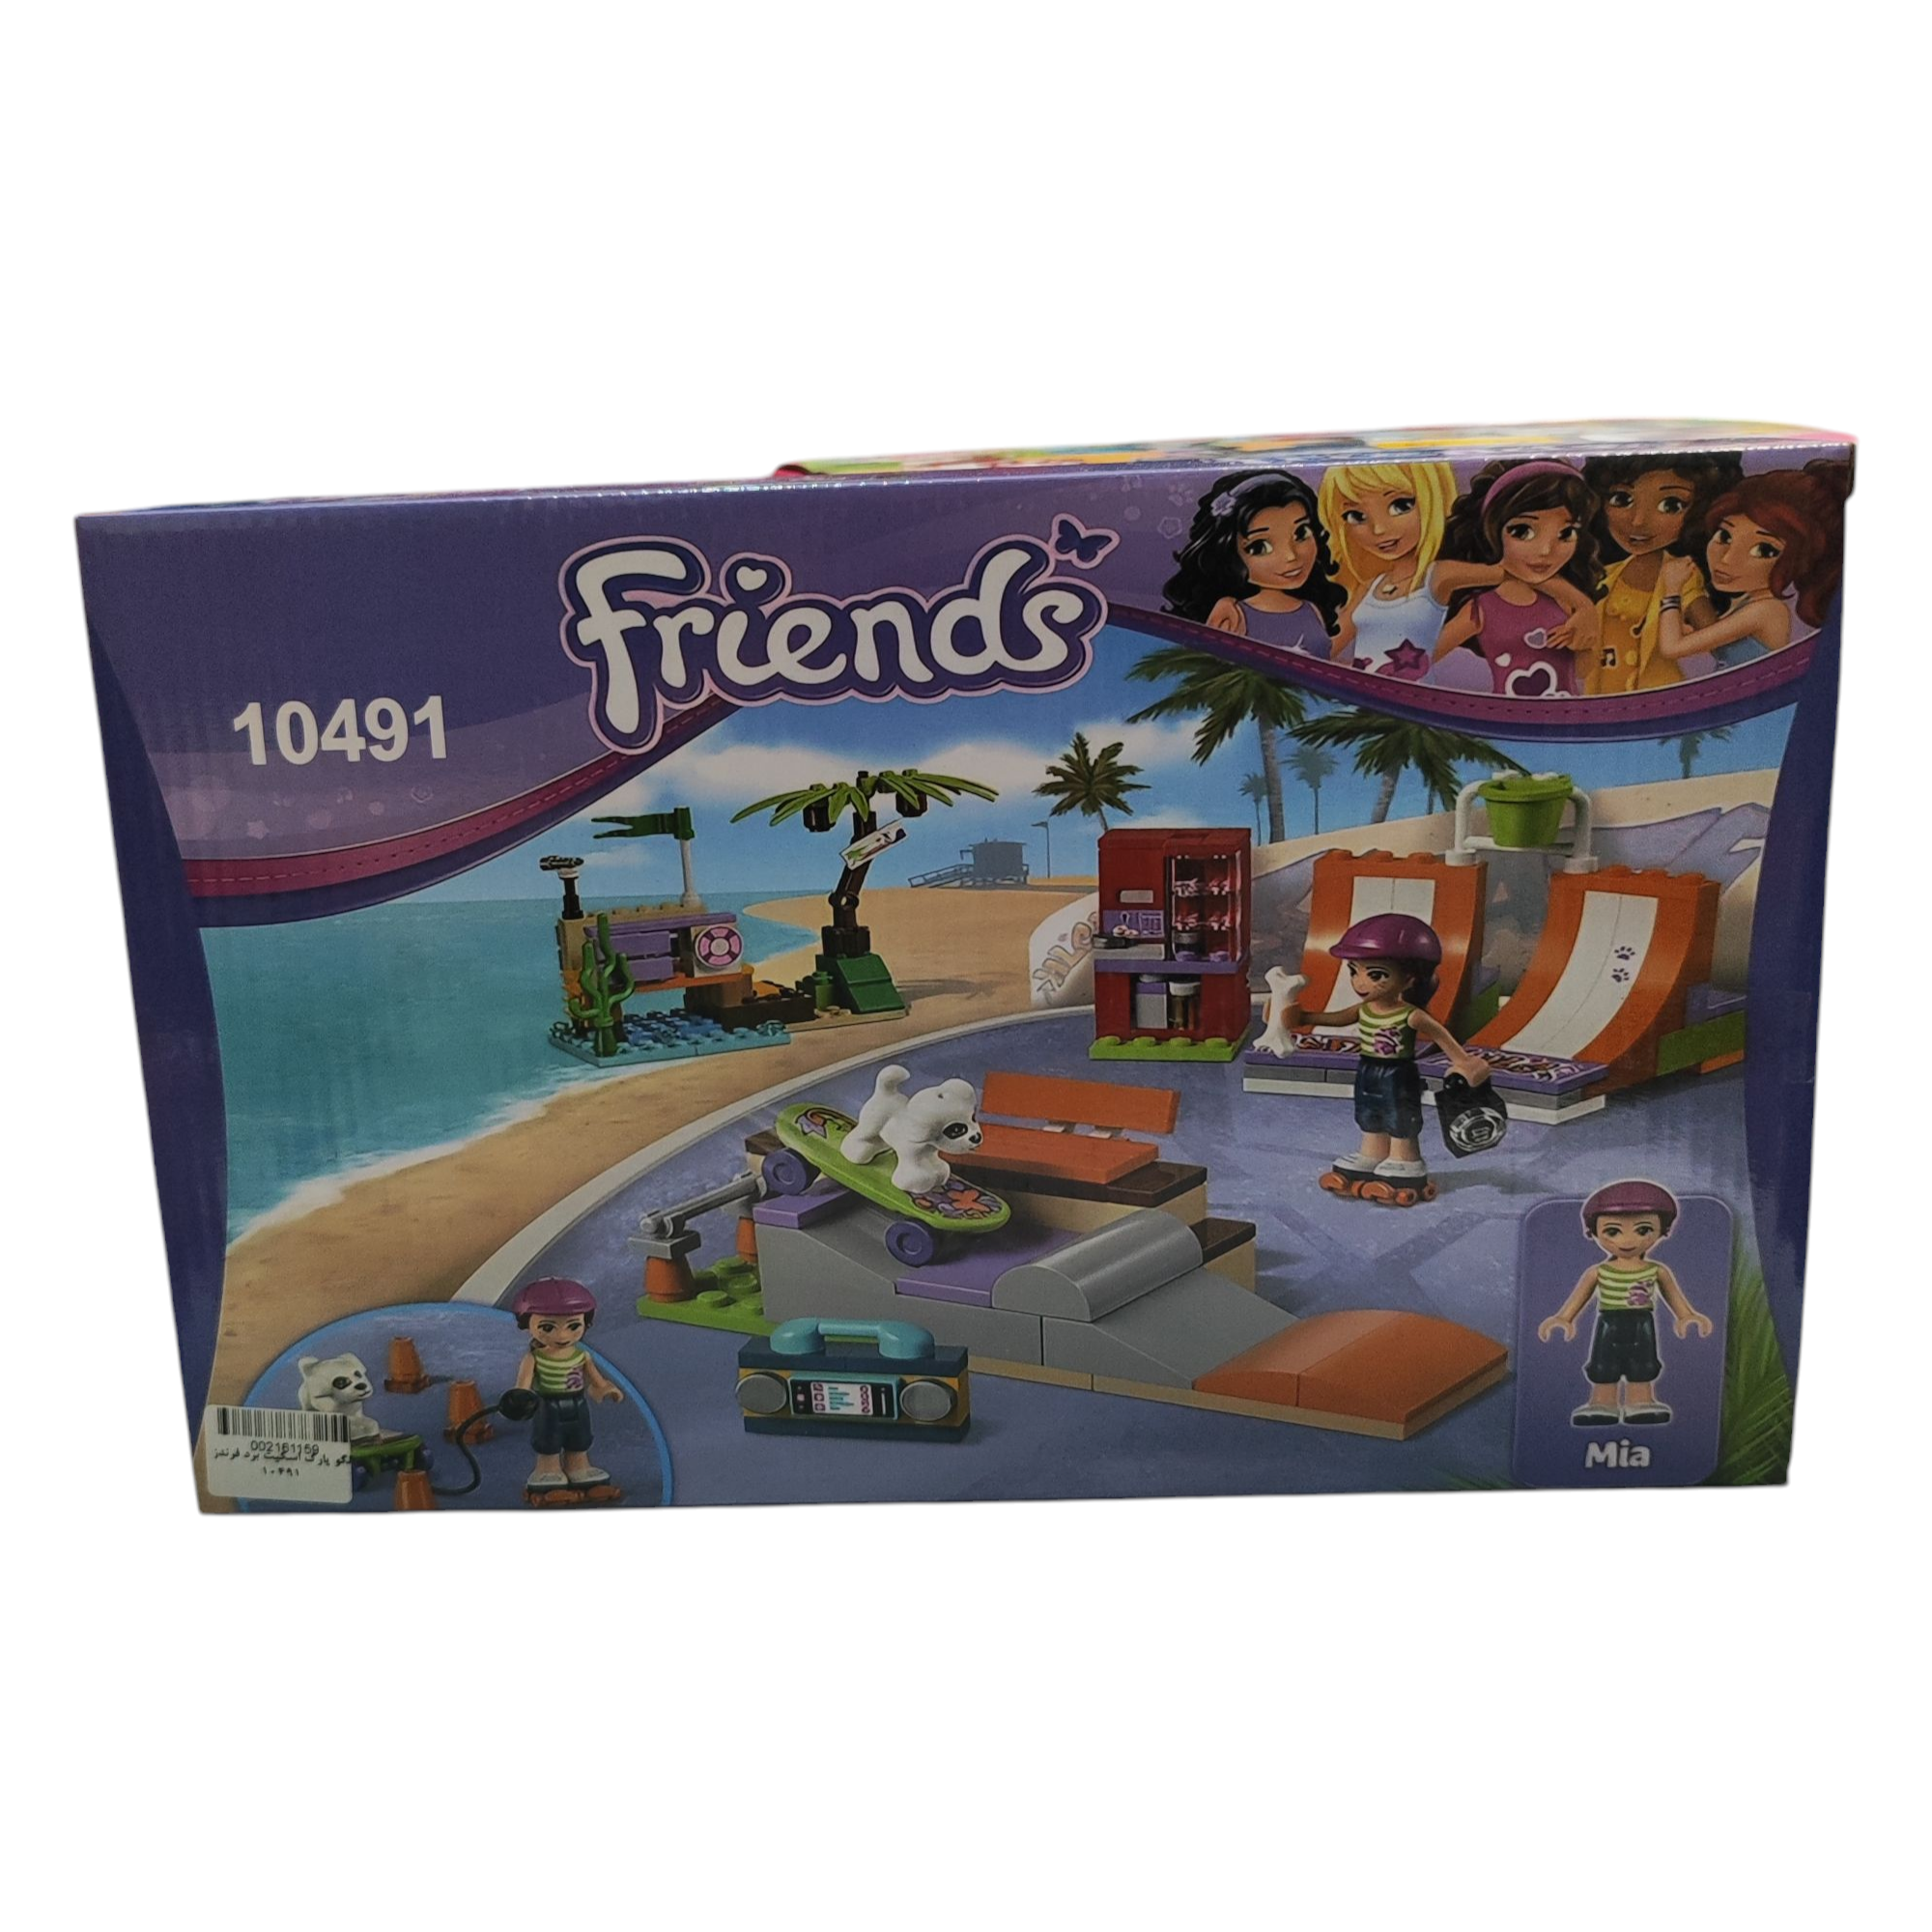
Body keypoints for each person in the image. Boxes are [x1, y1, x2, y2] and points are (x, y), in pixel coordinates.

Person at [1282, 912, 1491, 1207]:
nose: (1360, 982)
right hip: (1368, 1069)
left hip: (1398, 1073)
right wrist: (1303, 1017)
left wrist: (1463, 1061)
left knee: (1400, 1114)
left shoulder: (1410, 1015)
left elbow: (1441, 1035)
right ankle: (1373, 1154)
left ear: (1408, 979)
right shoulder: (1364, 1010)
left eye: (1376, 975)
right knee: (1369, 1112)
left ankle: (1406, 1160)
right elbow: (1337, 1018)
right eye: (1354, 971)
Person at [1538, 1179, 1711, 1427]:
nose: (1628, 1240)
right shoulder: (1598, 1271)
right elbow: (1580, 1296)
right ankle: (1602, 1404)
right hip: (1609, 1323)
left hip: (1642, 1322)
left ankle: (1640, 1403)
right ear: (1594, 1232)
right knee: (1603, 1362)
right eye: (1612, 1231)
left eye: (1643, 1230)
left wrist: (1686, 1315)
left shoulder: (1656, 1270)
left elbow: (1672, 1295)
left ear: (1662, 1230)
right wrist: (1563, 1318)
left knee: (1643, 1363)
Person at [1431, 459, 1605, 696]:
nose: (1545, 550)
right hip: (1506, 710)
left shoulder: (1564, 602)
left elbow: (1582, 672)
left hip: (1564, 708)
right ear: (1493, 532)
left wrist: (1583, 645)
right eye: (1523, 531)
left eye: (1566, 533)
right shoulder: (1481, 609)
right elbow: (1427, 656)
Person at [1655, 464, 1849, 671]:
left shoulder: (1766, 610)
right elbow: (1717, 643)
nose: (1727, 558)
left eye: (1763, 550)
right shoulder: (1753, 601)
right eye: (1724, 536)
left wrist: (1672, 591)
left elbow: (1672, 648)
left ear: (1800, 561)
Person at [1579, 452, 1742, 692]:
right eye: (1621, 499)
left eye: (1670, 505)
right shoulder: (1607, 575)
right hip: (1603, 699)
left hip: (1659, 699)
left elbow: (1716, 641)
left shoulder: (1681, 573)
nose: (1638, 521)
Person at [1163, 469, 1351, 657]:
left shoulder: (1312, 610)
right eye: (1260, 547)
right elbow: (1213, 668)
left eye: (1301, 533)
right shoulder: (1232, 612)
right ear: (1229, 554)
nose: (1290, 556)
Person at [1318, 460, 1457, 680]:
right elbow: (1328, 648)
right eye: (1356, 516)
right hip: (1363, 692)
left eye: (1400, 505)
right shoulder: (1368, 587)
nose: (1379, 529)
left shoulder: (1440, 575)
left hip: (1410, 694)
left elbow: (1502, 574)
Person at [510, 1276, 625, 1496]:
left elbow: (594, 1377)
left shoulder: (582, 1356)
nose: (562, 1335)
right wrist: (520, 1400)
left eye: (573, 1326)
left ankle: (578, 1466)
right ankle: (547, 1468)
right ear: (527, 1324)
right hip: (547, 1404)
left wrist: (604, 1388)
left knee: (580, 1436)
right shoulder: (534, 1358)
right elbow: (523, 1385)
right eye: (548, 1327)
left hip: (577, 1401)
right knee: (547, 1438)